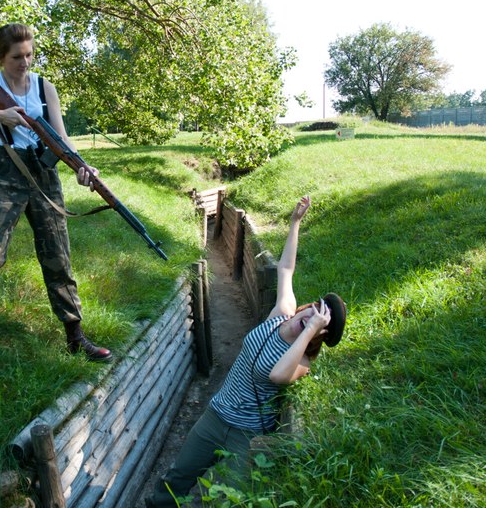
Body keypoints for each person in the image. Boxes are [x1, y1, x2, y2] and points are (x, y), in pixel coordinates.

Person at [145, 196, 346, 507]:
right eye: (314, 308)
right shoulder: (281, 313)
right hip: (216, 414)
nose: (309, 314)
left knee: (229, 499)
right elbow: (286, 270)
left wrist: (308, 332)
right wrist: (295, 222)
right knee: (178, 476)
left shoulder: (301, 359)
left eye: (318, 320)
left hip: (246, 435)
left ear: (319, 334)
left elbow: (278, 375)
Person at [0, 23, 112, 362]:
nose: (25, 62)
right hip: (6, 171)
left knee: (58, 256)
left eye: (30, 54)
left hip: (44, 175)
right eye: (17, 56)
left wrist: (82, 167)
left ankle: (75, 334)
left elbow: (60, 137)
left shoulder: (46, 88)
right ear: (2, 57)